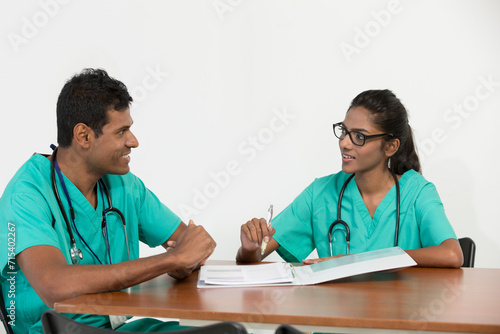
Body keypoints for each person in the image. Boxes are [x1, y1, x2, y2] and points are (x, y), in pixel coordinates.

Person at [0, 68, 216, 333]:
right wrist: (172, 260)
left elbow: (189, 244)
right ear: (84, 136)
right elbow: (53, 285)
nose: (133, 141)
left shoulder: (124, 185)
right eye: (121, 131)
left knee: (225, 331)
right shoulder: (26, 196)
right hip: (55, 330)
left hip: (116, 327)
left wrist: (190, 257)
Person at [237, 89, 463, 268]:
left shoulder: (417, 192)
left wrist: (360, 261)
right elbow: (255, 256)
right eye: (344, 131)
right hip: (337, 321)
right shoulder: (321, 193)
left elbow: (452, 254)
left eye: (359, 136)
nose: (344, 142)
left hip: (399, 321)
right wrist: (249, 247)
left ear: (391, 146)